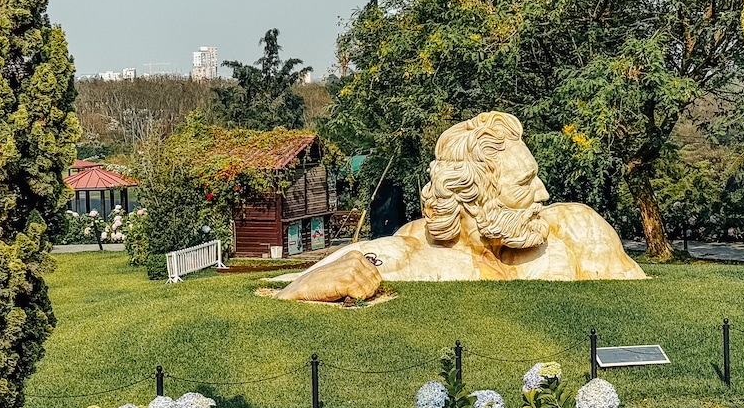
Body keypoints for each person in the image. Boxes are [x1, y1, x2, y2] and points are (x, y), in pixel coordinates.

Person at [275, 112, 645, 302]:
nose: (544, 193)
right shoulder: (408, 256)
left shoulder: (576, 227)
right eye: (524, 182)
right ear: (473, 199)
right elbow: (294, 287)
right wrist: (298, 290)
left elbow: (636, 303)